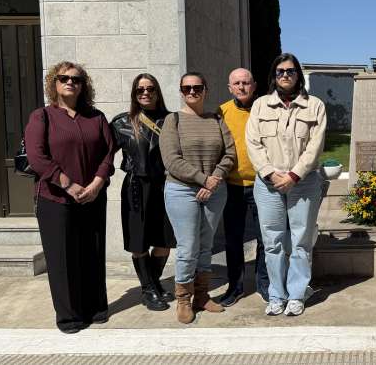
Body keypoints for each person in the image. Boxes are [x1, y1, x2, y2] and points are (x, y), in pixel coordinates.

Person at [24, 61, 115, 334]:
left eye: (76, 79)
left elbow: (108, 153)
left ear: (83, 85)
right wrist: (68, 184)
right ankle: (69, 317)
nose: (70, 83)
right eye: (63, 78)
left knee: (92, 254)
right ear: (54, 83)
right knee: (62, 259)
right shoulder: (42, 116)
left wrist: (97, 184)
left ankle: (95, 308)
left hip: (93, 197)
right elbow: (37, 157)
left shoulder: (96, 117)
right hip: (55, 199)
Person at [246, 53, 327, 316]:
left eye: (290, 71)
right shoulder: (260, 105)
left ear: (298, 75)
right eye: (280, 71)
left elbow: (315, 145)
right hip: (268, 184)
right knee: (272, 242)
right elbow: (253, 143)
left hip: (303, 183)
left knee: (301, 241)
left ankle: (297, 294)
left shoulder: (314, 105)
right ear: (274, 75)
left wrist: (294, 175)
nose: (285, 75)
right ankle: (276, 295)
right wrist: (270, 174)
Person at [160, 72, 236, 324]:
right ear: (181, 91)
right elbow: (171, 160)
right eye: (187, 88)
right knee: (188, 246)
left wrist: (215, 179)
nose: (192, 91)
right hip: (182, 190)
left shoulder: (216, 119)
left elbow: (230, 154)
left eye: (197, 87)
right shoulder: (173, 121)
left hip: (214, 190)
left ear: (206, 90)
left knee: (205, 244)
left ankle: (201, 295)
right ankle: (183, 299)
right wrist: (204, 180)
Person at [111, 74, 175, 312]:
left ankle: (153, 283)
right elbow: (103, 154)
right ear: (134, 94)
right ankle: (149, 290)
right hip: (136, 188)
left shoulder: (171, 120)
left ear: (157, 92)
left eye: (150, 89)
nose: (145, 93)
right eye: (140, 90)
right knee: (139, 242)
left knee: (164, 241)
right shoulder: (122, 122)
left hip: (165, 186)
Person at [218, 68, 269, 306]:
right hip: (232, 186)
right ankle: (235, 287)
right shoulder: (221, 112)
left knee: (265, 238)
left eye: (246, 82)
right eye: (236, 83)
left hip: (263, 184)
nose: (241, 87)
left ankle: (264, 285)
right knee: (233, 239)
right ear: (230, 88)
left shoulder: (266, 109)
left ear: (254, 85)